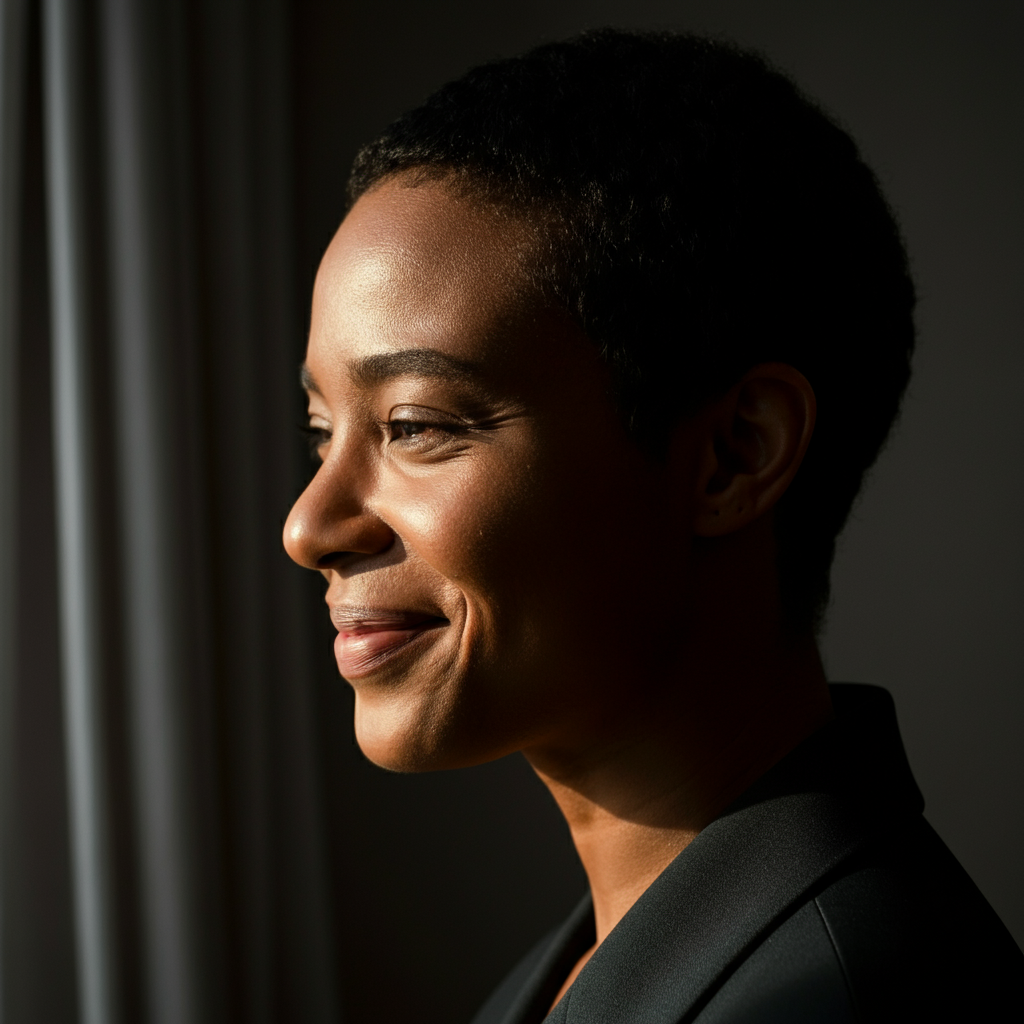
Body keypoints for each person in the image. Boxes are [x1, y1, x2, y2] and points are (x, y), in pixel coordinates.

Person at [283, 28, 1022, 1023]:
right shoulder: (589, 968)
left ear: (734, 456)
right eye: (321, 431)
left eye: (414, 425)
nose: (308, 526)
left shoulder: (842, 995)